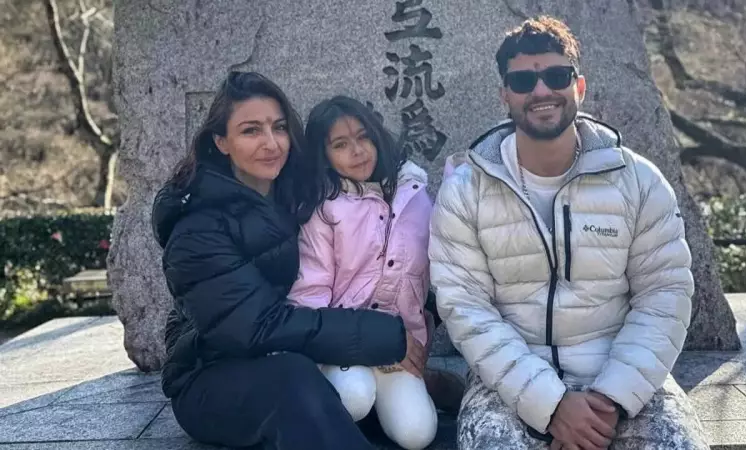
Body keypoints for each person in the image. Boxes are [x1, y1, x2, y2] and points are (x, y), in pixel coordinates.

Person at [429, 16, 709, 450]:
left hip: (621, 372)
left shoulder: (639, 181)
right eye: (523, 81)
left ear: (578, 86)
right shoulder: (466, 191)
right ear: (505, 95)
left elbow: (664, 295)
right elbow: (466, 308)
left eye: (557, 76)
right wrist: (552, 405)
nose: (541, 91)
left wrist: (610, 400)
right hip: (510, 380)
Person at [151, 71, 415, 450]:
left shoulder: (298, 195)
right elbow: (256, 327)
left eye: (279, 127)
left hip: (294, 352)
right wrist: (386, 335)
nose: (271, 143)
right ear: (221, 142)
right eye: (251, 131)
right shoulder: (197, 229)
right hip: (213, 375)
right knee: (293, 382)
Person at [287, 95, 438, 450]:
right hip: (341, 347)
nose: (357, 151)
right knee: (353, 397)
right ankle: (351, 404)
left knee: (417, 435)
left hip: (399, 347)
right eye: (340, 145)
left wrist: (424, 330)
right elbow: (309, 296)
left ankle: (403, 395)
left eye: (363, 137)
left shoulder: (415, 193)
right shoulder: (323, 209)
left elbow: (433, 275)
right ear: (323, 155)